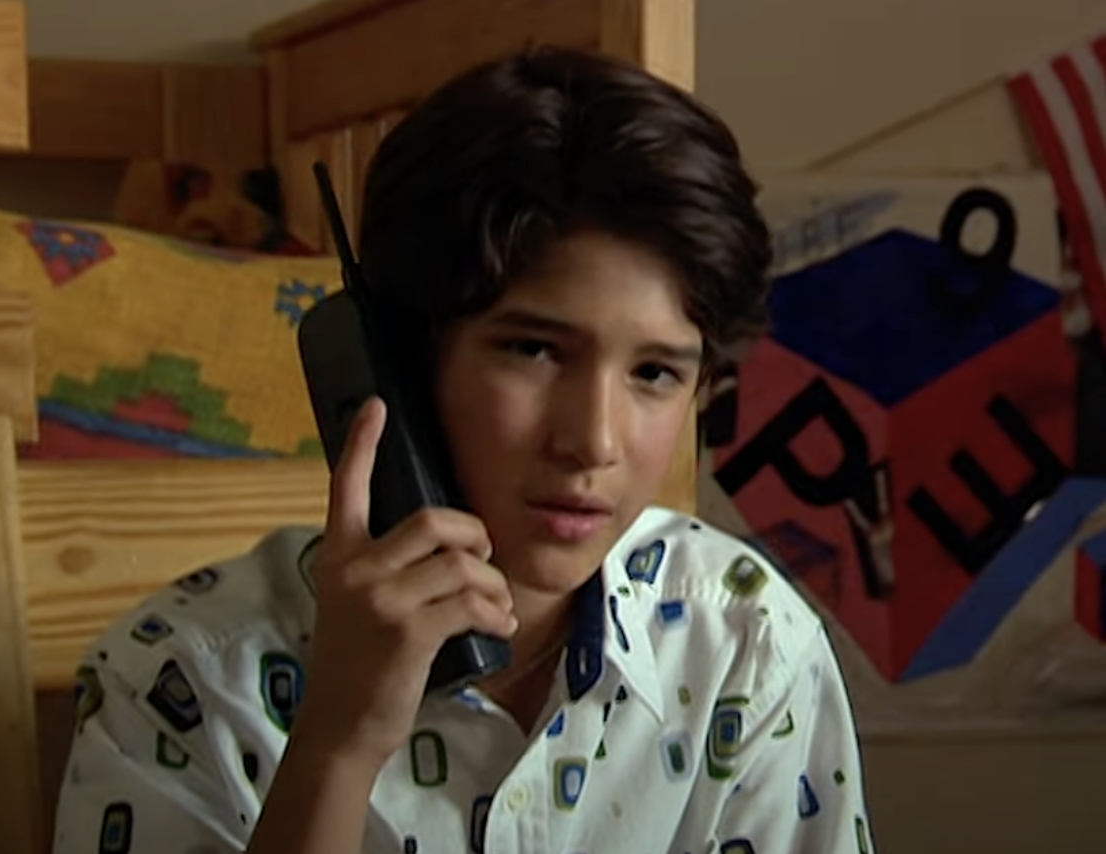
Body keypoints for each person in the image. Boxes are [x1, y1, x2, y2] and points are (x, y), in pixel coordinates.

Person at [51, 46, 875, 854]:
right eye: (533, 351)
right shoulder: (178, 683)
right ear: (403, 358)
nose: (591, 440)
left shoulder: (747, 643)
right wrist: (336, 749)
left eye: (655, 372)